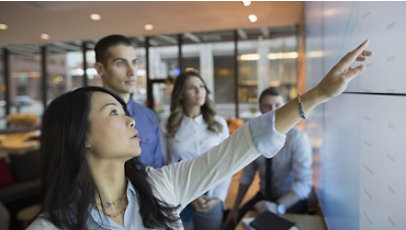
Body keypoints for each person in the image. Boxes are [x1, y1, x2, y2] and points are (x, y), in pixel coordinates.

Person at [27, 40, 372, 230]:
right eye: (114, 113)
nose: (131, 121)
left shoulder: (160, 186)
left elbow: (241, 146)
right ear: (80, 136)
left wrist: (318, 95)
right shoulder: (52, 225)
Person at [224, 87, 312, 229]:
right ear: (260, 108)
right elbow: (247, 176)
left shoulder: (298, 138)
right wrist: (234, 209)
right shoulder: (255, 136)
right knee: (233, 224)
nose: (273, 110)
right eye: (267, 106)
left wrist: (278, 206)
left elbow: (303, 184)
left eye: (278, 105)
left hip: (290, 199)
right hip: (264, 196)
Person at [160, 71, 231, 230]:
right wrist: (190, 196)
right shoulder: (166, 125)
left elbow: (226, 164)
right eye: (192, 87)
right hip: (179, 200)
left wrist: (219, 197)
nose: (199, 91)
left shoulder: (218, 124)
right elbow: (164, 166)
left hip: (210, 200)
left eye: (202, 86)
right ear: (180, 95)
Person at [94, 34, 164, 168]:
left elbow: (158, 167)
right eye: (120, 63)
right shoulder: (90, 117)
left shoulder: (148, 116)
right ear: (100, 69)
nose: (132, 72)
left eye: (134, 62)